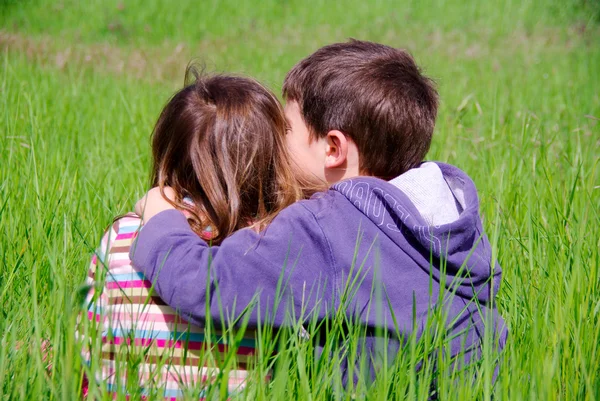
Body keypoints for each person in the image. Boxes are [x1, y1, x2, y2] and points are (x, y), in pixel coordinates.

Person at [131, 39, 507, 385]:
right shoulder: (447, 209)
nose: (275, 142)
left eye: (286, 129)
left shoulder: (328, 226)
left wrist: (161, 217)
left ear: (333, 149)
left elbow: (208, 287)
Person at [80, 70, 312, 399]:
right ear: (272, 163)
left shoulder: (123, 234)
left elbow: (86, 343)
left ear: (168, 153)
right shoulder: (272, 246)